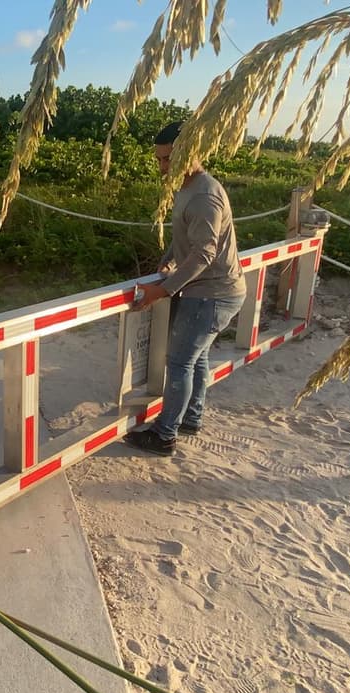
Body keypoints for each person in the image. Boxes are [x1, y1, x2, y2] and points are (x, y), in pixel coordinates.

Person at [125, 121, 247, 457]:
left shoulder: (205, 196)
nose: (163, 167)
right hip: (209, 290)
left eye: (168, 159)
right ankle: (191, 418)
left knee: (178, 362)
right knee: (197, 357)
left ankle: (165, 435)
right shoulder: (189, 187)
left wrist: (161, 291)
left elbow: (205, 254)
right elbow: (188, 242)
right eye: (160, 160)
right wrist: (168, 261)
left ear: (190, 153)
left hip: (211, 294)